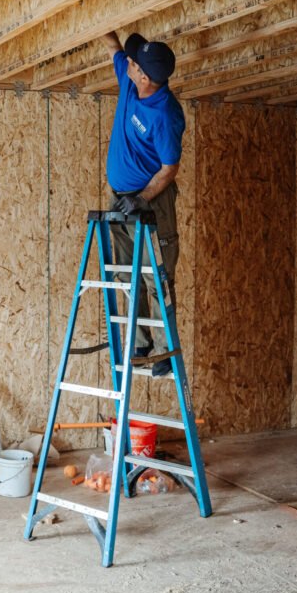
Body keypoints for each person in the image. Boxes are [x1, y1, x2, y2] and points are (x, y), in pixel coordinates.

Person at [98, 32, 185, 377]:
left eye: (134, 64)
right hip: (119, 198)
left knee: (155, 276)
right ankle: (140, 342)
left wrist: (142, 199)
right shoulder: (131, 81)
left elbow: (169, 168)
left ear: (146, 77)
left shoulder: (165, 114)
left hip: (150, 202)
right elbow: (114, 48)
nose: (128, 64)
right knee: (126, 274)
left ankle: (163, 352)